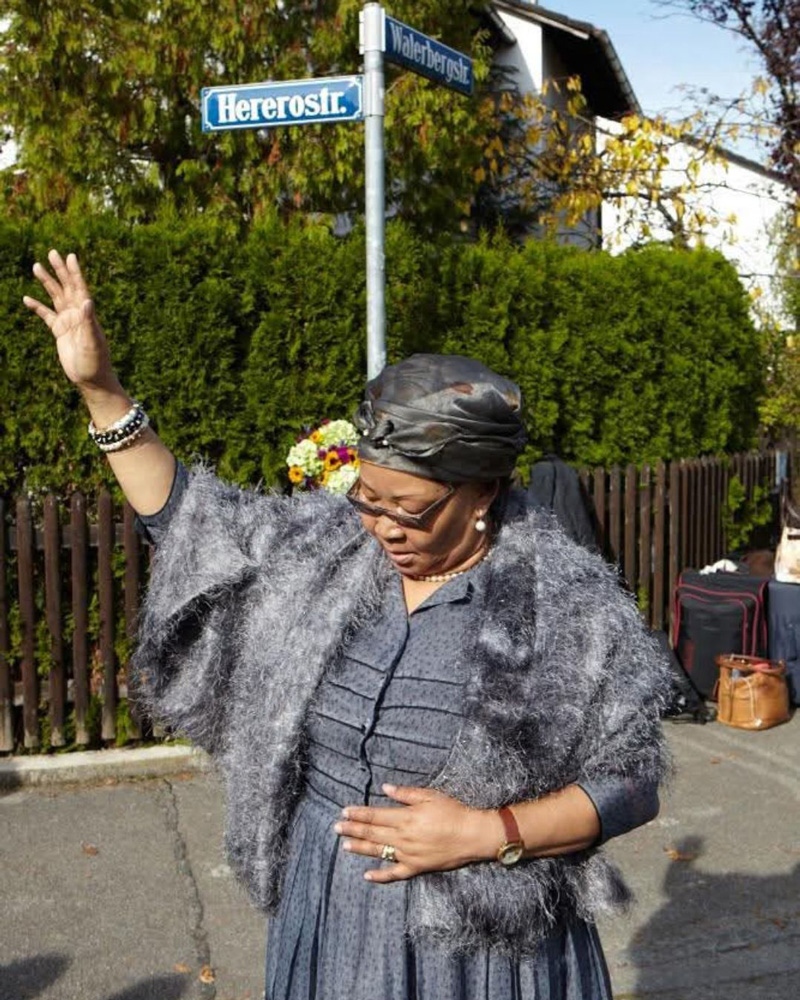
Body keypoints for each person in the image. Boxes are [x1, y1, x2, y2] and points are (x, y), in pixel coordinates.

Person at [24, 250, 672, 1000]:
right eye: (369, 497)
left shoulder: (568, 606)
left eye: (412, 508)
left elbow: (631, 781)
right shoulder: (325, 552)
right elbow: (193, 525)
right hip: (329, 912)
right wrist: (103, 392)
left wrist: (488, 835)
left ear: (484, 492)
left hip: (481, 951)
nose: (384, 527)